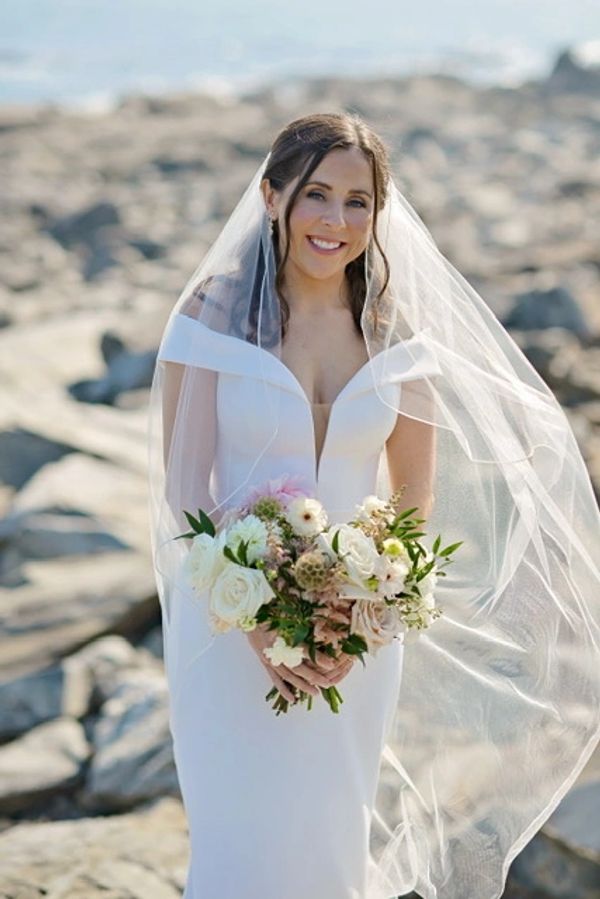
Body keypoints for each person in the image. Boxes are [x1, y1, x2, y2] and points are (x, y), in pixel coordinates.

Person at [147, 112, 600, 899]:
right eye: (316, 194)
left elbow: (413, 501)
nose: (337, 220)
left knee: (331, 841)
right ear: (270, 195)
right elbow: (189, 492)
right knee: (239, 846)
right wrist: (257, 620)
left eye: (359, 201)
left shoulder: (393, 330)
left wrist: (362, 618)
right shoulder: (210, 317)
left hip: (357, 637)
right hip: (227, 627)